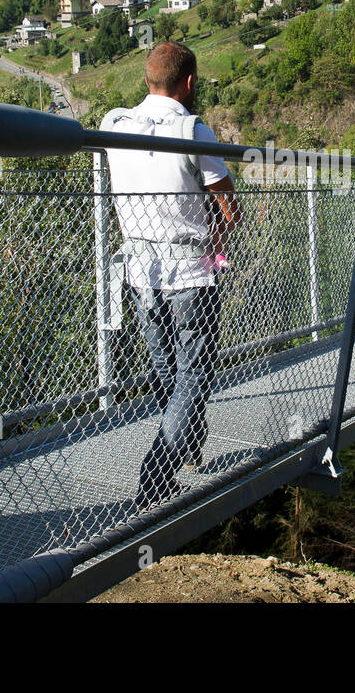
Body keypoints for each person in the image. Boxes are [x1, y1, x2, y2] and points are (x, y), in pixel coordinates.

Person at [100, 42, 241, 511]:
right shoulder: (192, 128)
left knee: (167, 369)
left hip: (139, 271)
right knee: (194, 370)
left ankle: (190, 444)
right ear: (190, 84)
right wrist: (218, 233)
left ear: (146, 81)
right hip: (191, 271)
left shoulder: (114, 124)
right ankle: (156, 474)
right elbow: (229, 208)